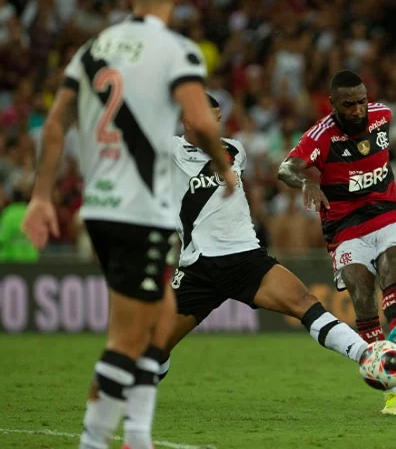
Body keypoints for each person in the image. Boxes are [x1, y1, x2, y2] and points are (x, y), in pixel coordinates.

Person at [20, 0, 234, 448]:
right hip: (141, 211)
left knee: (159, 325)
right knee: (127, 339)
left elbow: (56, 125)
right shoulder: (178, 50)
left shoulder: (91, 50)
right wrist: (227, 168)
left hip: (98, 209)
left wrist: (40, 196)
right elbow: (200, 118)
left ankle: (138, 435)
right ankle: (94, 441)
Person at [158, 94, 372, 388]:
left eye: (219, 120)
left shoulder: (234, 150)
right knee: (153, 349)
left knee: (304, 302)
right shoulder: (168, 151)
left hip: (246, 258)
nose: (217, 126)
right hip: (199, 267)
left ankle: (367, 355)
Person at [278, 70, 396, 415]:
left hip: (389, 214)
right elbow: (286, 168)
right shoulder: (322, 135)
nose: (357, 110)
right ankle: (391, 389)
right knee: (360, 289)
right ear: (333, 105)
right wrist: (305, 182)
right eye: (348, 105)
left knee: (393, 260)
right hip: (344, 228)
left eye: (361, 102)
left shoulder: (383, 116)